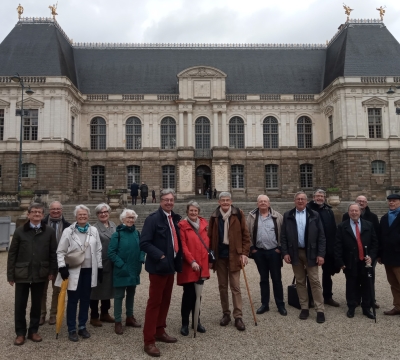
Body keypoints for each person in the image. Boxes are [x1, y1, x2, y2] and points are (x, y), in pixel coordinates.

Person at [7, 203, 57, 346]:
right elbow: (12, 254)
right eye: (34, 212)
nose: (36, 214)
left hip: (40, 272)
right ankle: (20, 333)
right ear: (28, 214)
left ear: (43, 215)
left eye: (39, 212)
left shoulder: (49, 231)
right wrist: (10, 275)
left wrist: (52, 271)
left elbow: (52, 253)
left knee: (36, 305)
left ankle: (33, 331)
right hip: (22, 272)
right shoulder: (19, 231)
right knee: (20, 305)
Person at [140, 189, 183, 357]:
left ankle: (159, 330)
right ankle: (148, 341)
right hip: (159, 267)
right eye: (166, 200)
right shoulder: (153, 219)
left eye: (171, 200)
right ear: (160, 201)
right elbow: (144, 243)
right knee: (154, 303)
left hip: (170, 266)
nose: (169, 203)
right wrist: (161, 256)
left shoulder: (174, 218)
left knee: (165, 301)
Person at [55, 204, 102, 342]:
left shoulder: (93, 230)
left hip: (89, 270)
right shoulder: (68, 231)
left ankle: (82, 325)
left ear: (88, 216)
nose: (82, 216)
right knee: (73, 300)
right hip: (74, 270)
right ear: (76, 216)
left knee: (86, 299)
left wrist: (99, 267)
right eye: (80, 214)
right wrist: (62, 267)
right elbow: (60, 251)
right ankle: (71, 328)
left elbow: (98, 249)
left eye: (85, 214)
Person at [281, 191, 326, 323]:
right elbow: (283, 236)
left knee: (314, 281)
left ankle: (320, 309)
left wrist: (321, 254)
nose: (300, 201)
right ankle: (304, 307)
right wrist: (285, 253)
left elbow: (321, 237)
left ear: (307, 201)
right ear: (294, 201)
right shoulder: (288, 215)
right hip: (295, 252)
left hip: (311, 252)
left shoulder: (314, 215)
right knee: (300, 281)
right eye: (298, 199)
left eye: (302, 199)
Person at [208, 192, 250, 331]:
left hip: (234, 255)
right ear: (219, 202)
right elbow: (209, 238)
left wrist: (244, 253)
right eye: (223, 200)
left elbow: (245, 234)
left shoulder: (238, 214)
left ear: (231, 201)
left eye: (227, 200)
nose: (225, 202)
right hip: (220, 256)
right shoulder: (214, 216)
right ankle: (226, 314)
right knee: (222, 287)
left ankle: (238, 316)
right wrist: (210, 257)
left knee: (235, 287)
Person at [335, 203, 378, 319]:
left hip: (366, 261)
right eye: (351, 211)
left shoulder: (369, 225)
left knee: (367, 285)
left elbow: (375, 244)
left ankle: (366, 308)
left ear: (360, 212)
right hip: (350, 261)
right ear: (348, 212)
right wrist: (340, 262)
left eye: (356, 211)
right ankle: (351, 307)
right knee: (351, 285)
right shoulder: (342, 226)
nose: (354, 213)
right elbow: (338, 245)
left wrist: (372, 257)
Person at [246, 195, 286, 316]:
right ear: (257, 204)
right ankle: (265, 304)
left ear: (269, 203)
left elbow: (283, 233)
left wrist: (280, 248)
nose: (263, 203)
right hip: (259, 252)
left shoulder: (278, 216)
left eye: (265, 201)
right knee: (263, 279)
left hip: (274, 252)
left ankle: (280, 304)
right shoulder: (251, 216)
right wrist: (252, 248)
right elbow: (247, 233)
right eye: (260, 201)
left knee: (277, 279)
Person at [108, 208, 145, 335]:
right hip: (121, 269)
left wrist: (141, 259)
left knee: (131, 294)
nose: (130, 220)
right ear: (123, 219)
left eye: (132, 217)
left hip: (134, 268)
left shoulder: (137, 233)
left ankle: (130, 317)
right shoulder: (117, 234)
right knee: (119, 296)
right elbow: (111, 253)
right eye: (128, 217)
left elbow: (142, 248)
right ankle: (117, 321)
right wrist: (121, 265)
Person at [177, 201, 210, 336]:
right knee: (188, 294)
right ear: (187, 211)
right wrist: (192, 261)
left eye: (195, 210)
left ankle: (196, 321)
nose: (193, 213)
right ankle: (185, 323)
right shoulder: (182, 226)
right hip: (189, 265)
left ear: (198, 211)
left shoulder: (204, 224)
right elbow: (183, 247)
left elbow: (208, 243)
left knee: (198, 295)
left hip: (201, 265)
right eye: (191, 210)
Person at [342, 195, 380, 308]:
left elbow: (376, 237)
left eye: (363, 201)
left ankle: (370, 301)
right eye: (359, 201)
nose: (361, 203)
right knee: (353, 278)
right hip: (352, 255)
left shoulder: (372, 217)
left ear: (366, 204)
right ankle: (355, 300)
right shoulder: (346, 217)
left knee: (368, 278)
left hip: (368, 255)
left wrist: (375, 255)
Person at [40, 201, 71, 326]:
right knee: (41, 290)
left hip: (60, 262)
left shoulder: (68, 226)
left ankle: (53, 314)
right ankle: (41, 314)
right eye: (53, 209)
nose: (56, 211)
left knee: (57, 290)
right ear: (49, 210)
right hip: (43, 261)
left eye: (58, 209)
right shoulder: (40, 224)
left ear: (62, 210)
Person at [307, 189, 339, 307]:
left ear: (324, 198)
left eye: (321, 196)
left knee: (327, 273)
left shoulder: (328, 210)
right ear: (313, 196)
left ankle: (327, 296)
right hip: (312, 246)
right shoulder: (308, 208)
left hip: (327, 246)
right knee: (311, 274)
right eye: (317, 196)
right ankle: (311, 298)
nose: (319, 198)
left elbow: (333, 229)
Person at [89, 203, 116, 327]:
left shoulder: (113, 225)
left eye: (105, 212)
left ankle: (105, 313)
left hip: (112, 263)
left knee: (108, 289)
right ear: (97, 215)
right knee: (96, 290)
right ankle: (94, 315)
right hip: (99, 263)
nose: (103, 214)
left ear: (109, 213)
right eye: (100, 212)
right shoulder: (93, 228)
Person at [378, 194, 400, 316]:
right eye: (390, 201)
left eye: (394, 201)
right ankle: (398, 306)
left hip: (399, 255)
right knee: (394, 284)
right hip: (388, 256)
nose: (391, 203)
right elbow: (381, 237)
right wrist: (380, 254)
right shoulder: (385, 217)